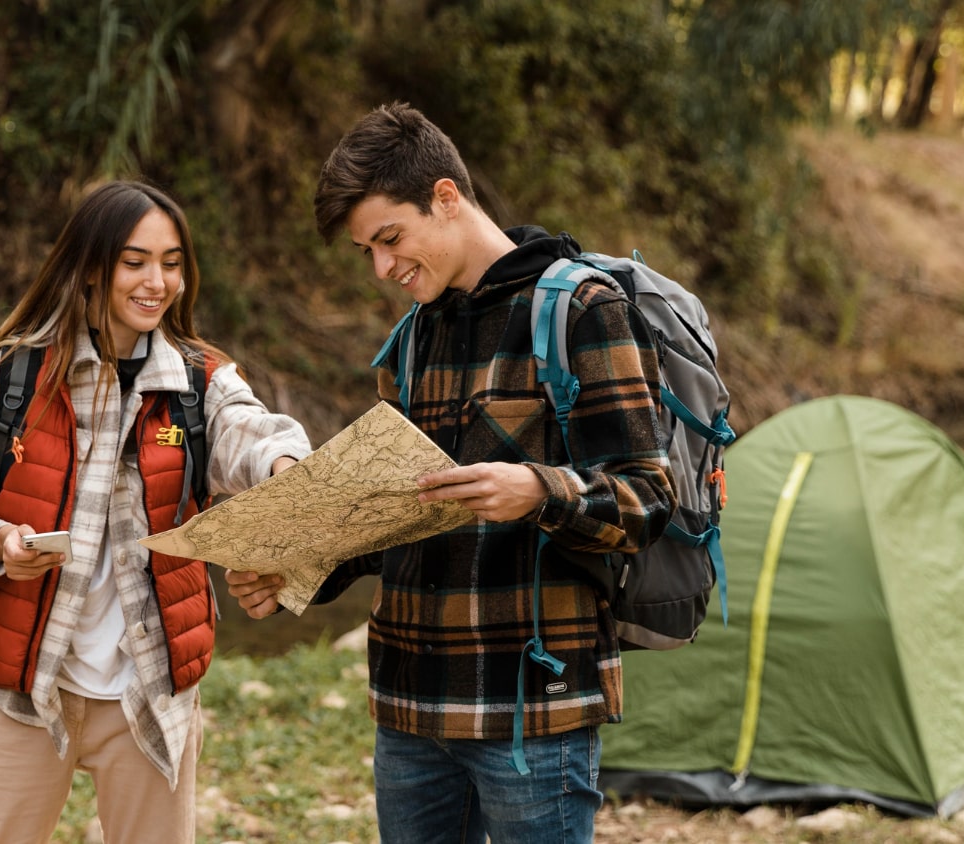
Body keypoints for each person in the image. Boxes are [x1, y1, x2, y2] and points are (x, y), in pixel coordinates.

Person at [225, 103, 675, 844]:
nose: (381, 267)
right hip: (408, 712)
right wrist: (299, 570)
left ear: (444, 196)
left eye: (389, 238)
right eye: (366, 249)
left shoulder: (583, 311)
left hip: (533, 713)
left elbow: (649, 500)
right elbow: (398, 519)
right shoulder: (411, 338)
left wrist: (538, 491)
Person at [0, 179, 311, 844]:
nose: (157, 281)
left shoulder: (199, 381)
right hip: (24, 693)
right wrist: (2, 543)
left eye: (172, 262)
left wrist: (284, 469)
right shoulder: (8, 380)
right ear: (91, 268)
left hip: (151, 694)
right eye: (135, 262)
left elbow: (252, 430)